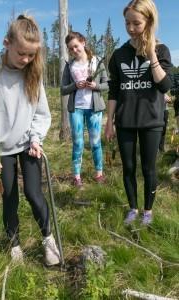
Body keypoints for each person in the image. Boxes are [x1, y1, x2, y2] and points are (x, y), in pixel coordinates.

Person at [0, 14, 60, 265]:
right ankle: (14, 245)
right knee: (9, 197)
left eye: (31, 55)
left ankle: (48, 240)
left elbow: (42, 113)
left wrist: (36, 139)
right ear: (6, 43)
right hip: (2, 148)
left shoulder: (32, 73)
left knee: (34, 194)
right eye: (21, 54)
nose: (26, 60)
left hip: (28, 145)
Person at [105, 0, 172, 226]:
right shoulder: (118, 55)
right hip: (125, 120)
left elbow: (165, 86)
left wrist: (151, 53)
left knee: (148, 168)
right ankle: (133, 208)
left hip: (151, 120)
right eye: (127, 23)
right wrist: (109, 122)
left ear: (149, 22)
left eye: (136, 23)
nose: (131, 28)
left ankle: (148, 211)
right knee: (129, 167)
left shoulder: (161, 50)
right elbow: (113, 90)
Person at [61, 31, 108, 187]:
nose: (74, 50)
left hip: (95, 109)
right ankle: (76, 177)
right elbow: (63, 89)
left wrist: (96, 86)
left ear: (83, 42)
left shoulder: (97, 62)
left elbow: (107, 84)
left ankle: (99, 174)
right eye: (70, 48)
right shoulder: (69, 66)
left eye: (76, 46)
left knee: (95, 142)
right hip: (77, 110)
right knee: (78, 143)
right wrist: (75, 85)